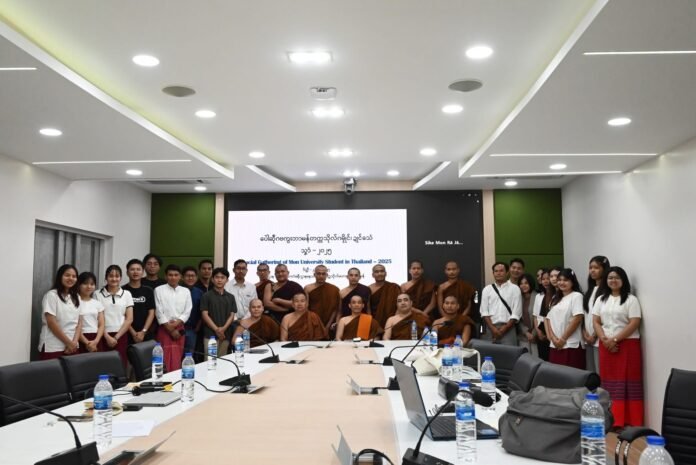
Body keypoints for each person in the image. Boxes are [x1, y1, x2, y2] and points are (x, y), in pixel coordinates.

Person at [592, 266, 643, 427]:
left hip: (627, 345)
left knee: (628, 382)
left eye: (617, 277)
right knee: (609, 382)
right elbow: (596, 321)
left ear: (623, 280)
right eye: (610, 278)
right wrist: (604, 339)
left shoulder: (631, 300)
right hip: (605, 344)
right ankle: (612, 419)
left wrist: (614, 340)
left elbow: (634, 322)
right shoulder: (601, 299)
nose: (613, 280)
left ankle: (630, 420)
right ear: (606, 281)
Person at [38, 264, 82, 359]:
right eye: (67, 275)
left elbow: (79, 322)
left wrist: (74, 342)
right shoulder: (51, 295)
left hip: (73, 346)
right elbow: (51, 323)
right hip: (53, 346)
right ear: (60, 277)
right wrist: (68, 343)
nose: (71, 278)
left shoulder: (77, 297)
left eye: (74, 276)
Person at [545, 268, 585, 369]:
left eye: (566, 280)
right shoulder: (555, 298)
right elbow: (549, 319)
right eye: (560, 280)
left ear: (573, 282)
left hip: (571, 344)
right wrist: (553, 338)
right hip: (555, 345)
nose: (562, 283)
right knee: (556, 374)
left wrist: (562, 339)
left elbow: (577, 318)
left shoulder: (576, 296)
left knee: (571, 374)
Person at [155, 264, 192, 371]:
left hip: (179, 328)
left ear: (180, 277)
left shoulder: (186, 291)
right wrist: (170, 329)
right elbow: (158, 310)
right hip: (164, 327)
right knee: (163, 356)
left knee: (177, 356)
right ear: (166, 276)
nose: (173, 277)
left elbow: (187, 310)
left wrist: (176, 324)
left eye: (176, 275)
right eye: (170, 275)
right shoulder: (158, 290)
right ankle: (164, 379)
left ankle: (175, 378)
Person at [96, 265, 133, 367]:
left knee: (120, 365)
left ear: (121, 278)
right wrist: (107, 336)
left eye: (117, 276)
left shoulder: (127, 294)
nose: (114, 279)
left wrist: (116, 337)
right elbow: (97, 319)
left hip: (121, 335)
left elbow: (129, 319)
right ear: (106, 277)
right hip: (102, 335)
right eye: (111, 276)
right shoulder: (97, 294)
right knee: (103, 365)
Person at [479, 262, 522, 345]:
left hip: (509, 329)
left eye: (501, 271)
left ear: (507, 272)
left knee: (509, 352)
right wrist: (493, 329)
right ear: (493, 273)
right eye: (496, 271)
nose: (498, 273)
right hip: (490, 329)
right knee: (489, 353)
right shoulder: (487, 289)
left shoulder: (515, 289)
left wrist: (504, 329)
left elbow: (516, 313)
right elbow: (484, 312)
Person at [201, 267, 237, 357]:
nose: (219, 280)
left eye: (222, 277)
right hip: (210, 335)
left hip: (225, 334)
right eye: (217, 277)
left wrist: (223, 329)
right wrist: (217, 330)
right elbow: (204, 315)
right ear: (212, 279)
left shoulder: (231, 297)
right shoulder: (206, 296)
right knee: (209, 360)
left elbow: (232, 315)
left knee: (223, 360)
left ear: (227, 280)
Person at [583, 255, 610, 373]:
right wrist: (585, 333)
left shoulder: (607, 291)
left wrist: (594, 335)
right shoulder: (589, 290)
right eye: (590, 268)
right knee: (591, 373)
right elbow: (585, 315)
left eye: (596, 268)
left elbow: (604, 317)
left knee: (600, 372)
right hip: (587, 339)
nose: (592, 270)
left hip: (599, 339)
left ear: (604, 269)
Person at [123, 258, 156, 344]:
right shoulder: (122, 290)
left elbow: (151, 313)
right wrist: (133, 333)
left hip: (146, 333)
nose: (135, 272)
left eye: (138, 269)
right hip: (126, 333)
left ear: (143, 272)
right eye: (132, 269)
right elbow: (121, 315)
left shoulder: (148, 290)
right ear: (127, 272)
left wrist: (143, 331)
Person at [304, 265, 341, 329]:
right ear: (314, 274)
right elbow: (305, 307)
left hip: (330, 323)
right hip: (312, 321)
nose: (321, 276)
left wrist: (329, 325)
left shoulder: (335, 289)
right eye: (318, 274)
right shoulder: (307, 288)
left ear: (327, 275)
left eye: (323, 274)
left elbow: (336, 309)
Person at [77, 271, 104, 353]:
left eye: (92, 284)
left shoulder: (97, 303)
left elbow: (101, 324)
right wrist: (87, 343)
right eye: (85, 283)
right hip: (80, 338)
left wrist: (96, 341)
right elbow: (74, 326)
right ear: (79, 284)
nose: (89, 286)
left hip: (96, 338)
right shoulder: (74, 302)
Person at [181, 266, 203, 357]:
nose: (190, 278)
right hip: (178, 329)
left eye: (192, 276)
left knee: (189, 355)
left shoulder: (199, 292)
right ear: (182, 277)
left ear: (196, 278)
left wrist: (198, 326)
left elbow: (202, 311)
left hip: (192, 329)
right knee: (177, 354)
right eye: (187, 276)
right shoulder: (177, 291)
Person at [532, 269, 552, 361]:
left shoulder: (556, 295)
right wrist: (538, 331)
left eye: (548, 278)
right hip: (541, 328)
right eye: (543, 279)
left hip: (552, 329)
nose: (545, 281)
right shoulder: (539, 296)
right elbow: (535, 316)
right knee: (543, 358)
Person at [517, 273, 538, 355]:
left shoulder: (538, 296)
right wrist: (525, 332)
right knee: (524, 358)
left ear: (531, 284)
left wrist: (534, 333)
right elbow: (517, 317)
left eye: (526, 283)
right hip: (523, 336)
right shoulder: (518, 297)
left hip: (536, 335)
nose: (523, 286)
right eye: (521, 283)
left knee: (536, 359)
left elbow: (539, 317)